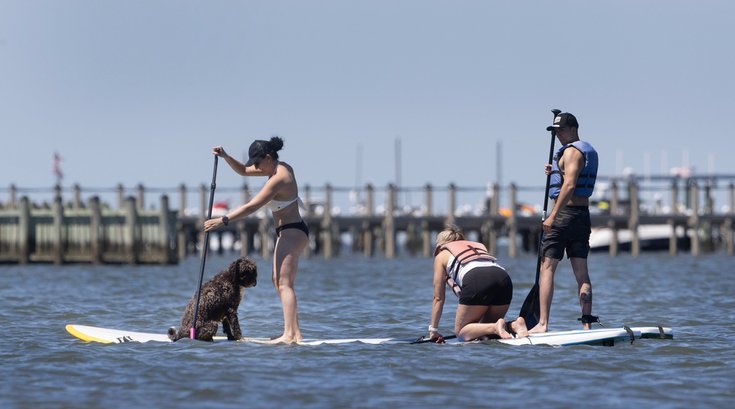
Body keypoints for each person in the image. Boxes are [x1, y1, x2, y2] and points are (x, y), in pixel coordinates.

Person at [203, 136, 309, 344]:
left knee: (284, 284)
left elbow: (252, 207)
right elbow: (243, 170)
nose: (256, 168)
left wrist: (222, 220)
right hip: (288, 232)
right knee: (279, 282)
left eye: (258, 164)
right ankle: (294, 333)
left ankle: (290, 335)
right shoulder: (274, 167)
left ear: (268, 158)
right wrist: (225, 156)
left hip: (292, 232)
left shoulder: (280, 177)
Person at [529, 112, 599, 333]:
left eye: (560, 130)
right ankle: (587, 324)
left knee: (547, 268)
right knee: (581, 272)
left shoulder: (571, 152)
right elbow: (571, 177)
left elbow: (568, 186)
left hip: (563, 216)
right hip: (582, 216)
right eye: (555, 131)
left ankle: (543, 324)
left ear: (573, 129)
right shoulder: (587, 151)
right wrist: (556, 171)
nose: (557, 134)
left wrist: (552, 216)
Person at [428, 225, 528, 342]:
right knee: (484, 333)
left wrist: (433, 330)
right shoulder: (472, 247)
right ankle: (514, 325)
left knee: (461, 332)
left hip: (476, 278)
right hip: (503, 278)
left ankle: (496, 327)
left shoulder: (441, 255)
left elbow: (438, 298)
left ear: (440, 245)